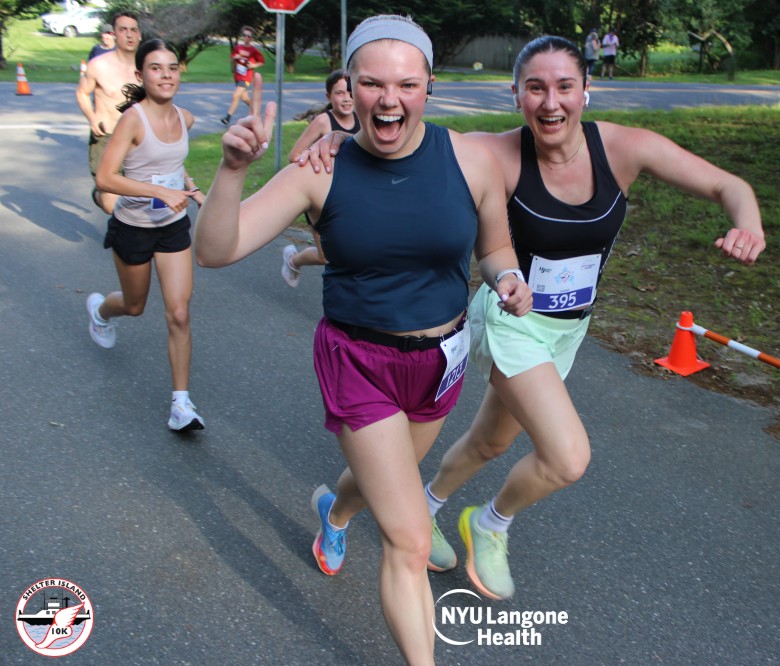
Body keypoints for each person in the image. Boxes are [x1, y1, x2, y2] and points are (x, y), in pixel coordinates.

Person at [304, 35, 765, 601]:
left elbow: (728, 184)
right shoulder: (494, 154)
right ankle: (491, 524)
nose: (551, 103)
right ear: (516, 94)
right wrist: (337, 140)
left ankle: (423, 506)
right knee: (568, 457)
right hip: (510, 316)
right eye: (535, 88)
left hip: (569, 329)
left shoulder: (624, 148)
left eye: (565, 87)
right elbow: (404, 139)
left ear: (586, 91)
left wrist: (748, 224)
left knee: (490, 443)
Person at [194, 15, 532, 664]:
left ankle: (335, 512)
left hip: (440, 362)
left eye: (406, 84)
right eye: (372, 83)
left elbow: (494, 247)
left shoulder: (471, 160)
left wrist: (508, 277)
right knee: (408, 538)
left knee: (381, 481)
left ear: (428, 88)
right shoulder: (318, 169)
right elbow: (216, 250)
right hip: (360, 364)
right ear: (347, 87)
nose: (388, 99)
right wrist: (232, 170)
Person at [88, 38, 206, 432]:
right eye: (156, 68)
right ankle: (101, 312)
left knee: (179, 312)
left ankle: (181, 405)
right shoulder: (133, 120)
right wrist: (159, 191)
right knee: (134, 305)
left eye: (172, 67)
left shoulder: (185, 118)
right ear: (140, 75)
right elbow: (106, 177)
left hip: (172, 226)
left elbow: (172, 162)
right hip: (133, 228)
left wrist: (192, 189)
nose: (166, 75)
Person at [281, 69, 360, 288]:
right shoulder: (323, 121)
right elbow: (294, 156)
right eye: (339, 93)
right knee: (325, 256)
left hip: (351, 195)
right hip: (322, 197)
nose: (346, 98)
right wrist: (318, 159)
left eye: (350, 92)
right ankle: (293, 260)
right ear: (328, 96)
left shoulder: (361, 118)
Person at [77, 11, 142, 214]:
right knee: (110, 205)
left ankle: (128, 228)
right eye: (123, 30)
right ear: (114, 34)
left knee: (139, 199)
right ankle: (100, 194)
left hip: (138, 140)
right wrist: (92, 117)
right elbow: (82, 92)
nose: (129, 34)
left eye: (133, 30)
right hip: (107, 136)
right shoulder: (99, 65)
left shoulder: (148, 66)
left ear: (139, 34)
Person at [221, 26, 265, 126]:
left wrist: (253, 65)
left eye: (248, 36)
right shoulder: (238, 48)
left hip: (246, 77)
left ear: (251, 38)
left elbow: (262, 61)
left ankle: (228, 117)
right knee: (244, 98)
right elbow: (232, 58)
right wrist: (235, 58)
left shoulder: (253, 50)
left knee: (235, 95)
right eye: (244, 35)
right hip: (238, 76)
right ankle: (257, 113)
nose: (246, 37)